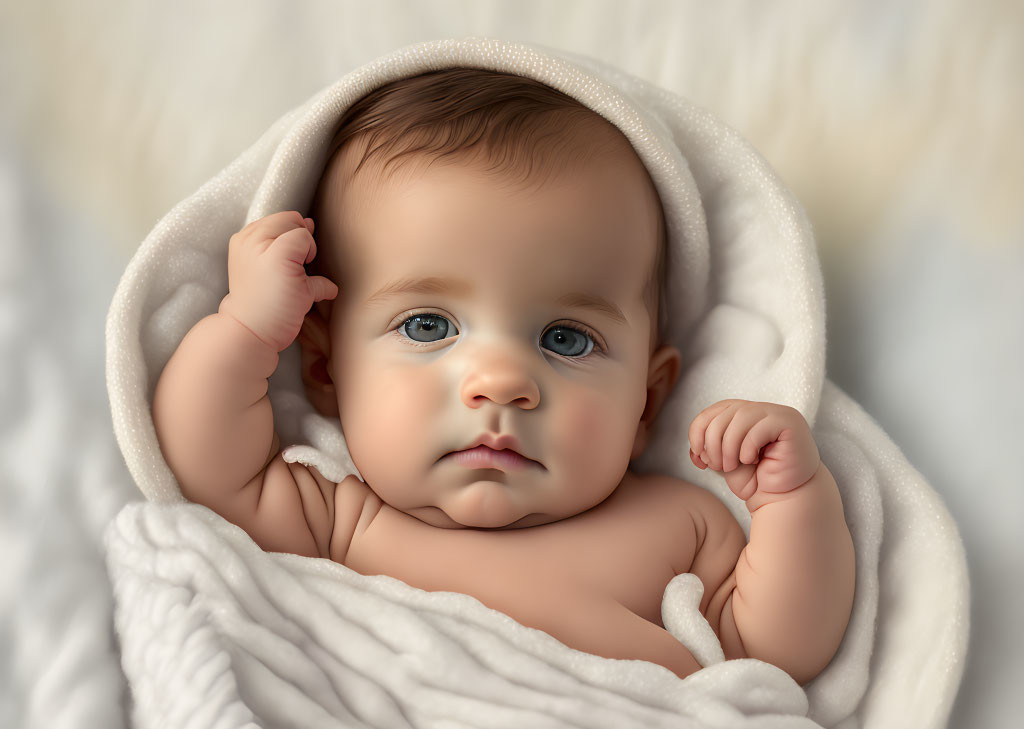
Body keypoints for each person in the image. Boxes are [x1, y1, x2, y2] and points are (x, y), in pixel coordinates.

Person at [153, 68, 855, 684]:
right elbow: (205, 465)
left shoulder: (677, 525)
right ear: (322, 369)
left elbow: (778, 651)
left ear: (646, 401)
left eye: (565, 338)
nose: (500, 383)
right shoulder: (338, 522)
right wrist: (245, 329)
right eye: (428, 326)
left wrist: (793, 501)